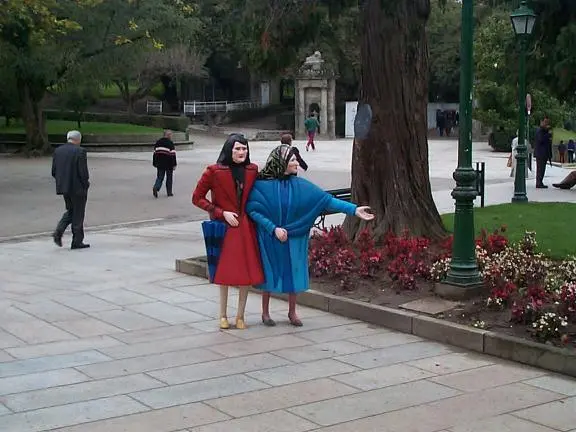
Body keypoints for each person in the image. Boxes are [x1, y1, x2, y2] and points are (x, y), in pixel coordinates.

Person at [246, 144, 374, 327]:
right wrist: (273, 228)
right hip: (270, 236)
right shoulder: (261, 186)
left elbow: (326, 200)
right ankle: (265, 313)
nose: (296, 162)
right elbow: (253, 210)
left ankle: (292, 312)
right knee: (270, 271)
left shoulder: (301, 186)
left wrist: (354, 210)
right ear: (281, 163)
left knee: (295, 271)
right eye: (292, 160)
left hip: (295, 236)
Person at [192, 134, 264, 330]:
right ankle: (222, 314)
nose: (242, 152)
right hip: (226, 227)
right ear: (229, 150)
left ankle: (240, 315)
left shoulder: (252, 170)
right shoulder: (213, 171)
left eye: (244, 149)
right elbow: (197, 197)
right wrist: (220, 213)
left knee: (246, 274)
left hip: (245, 227)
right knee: (224, 272)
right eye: (238, 149)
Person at [52, 130, 90, 249]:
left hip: (64, 186)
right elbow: (83, 172)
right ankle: (77, 240)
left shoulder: (58, 151)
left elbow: (54, 171)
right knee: (78, 213)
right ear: (78, 140)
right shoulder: (80, 151)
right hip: (78, 187)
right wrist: (86, 184)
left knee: (71, 211)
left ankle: (59, 231)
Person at [152, 130, 177, 198]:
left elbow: (155, 153)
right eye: (171, 135)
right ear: (168, 135)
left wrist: (154, 162)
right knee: (169, 178)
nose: (171, 136)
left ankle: (156, 187)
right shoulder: (170, 143)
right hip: (169, 163)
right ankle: (169, 192)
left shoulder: (158, 142)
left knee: (160, 177)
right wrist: (174, 164)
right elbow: (173, 155)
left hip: (160, 163)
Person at [534, 116, 552, 188]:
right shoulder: (540, 131)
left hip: (543, 153)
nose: (546, 124)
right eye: (545, 122)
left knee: (542, 168)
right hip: (541, 153)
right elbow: (541, 140)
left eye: (547, 122)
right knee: (540, 168)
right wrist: (548, 134)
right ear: (541, 122)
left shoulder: (544, 130)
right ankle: (539, 182)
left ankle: (540, 182)